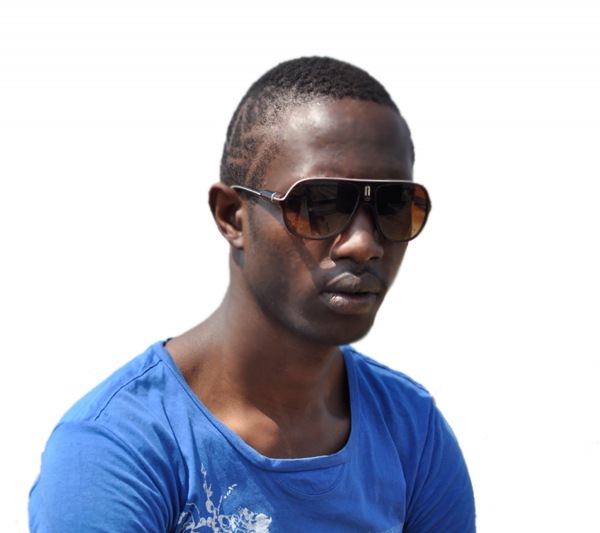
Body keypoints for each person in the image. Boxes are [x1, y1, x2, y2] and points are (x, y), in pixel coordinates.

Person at [29, 56, 475, 532]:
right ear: (232, 216)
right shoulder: (117, 449)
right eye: (320, 204)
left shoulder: (412, 432)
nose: (364, 243)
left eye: (394, 206)